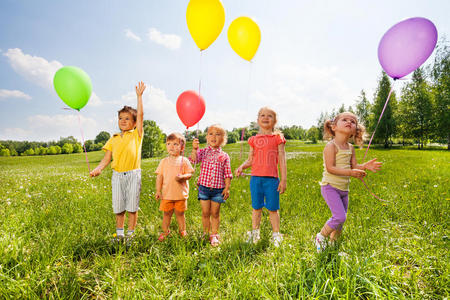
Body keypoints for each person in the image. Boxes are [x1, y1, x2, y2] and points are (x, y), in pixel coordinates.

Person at [315, 112, 382, 252]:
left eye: (353, 121)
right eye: (344, 119)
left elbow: (354, 166)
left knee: (341, 220)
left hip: (344, 190)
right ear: (334, 127)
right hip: (330, 187)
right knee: (339, 216)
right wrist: (351, 173)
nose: (349, 122)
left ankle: (333, 245)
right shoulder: (331, 146)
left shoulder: (350, 148)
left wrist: (364, 166)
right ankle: (321, 237)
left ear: (355, 130)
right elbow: (330, 168)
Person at [90, 81, 145, 242]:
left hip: (134, 175)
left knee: (132, 207)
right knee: (119, 207)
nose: (123, 121)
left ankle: (130, 235)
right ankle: (120, 235)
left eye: (127, 118)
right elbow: (106, 159)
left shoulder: (137, 135)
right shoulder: (113, 138)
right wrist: (98, 169)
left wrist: (139, 97)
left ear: (134, 123)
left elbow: (140, 115)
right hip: (117, 176)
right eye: (120, 118)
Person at [235, 107, 287, 247]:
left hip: (271, 180)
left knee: (273, 209)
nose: (265, 117)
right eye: (262, 115)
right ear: (257, 120)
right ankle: (255, 233)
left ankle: (276, 234)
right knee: (256, 207)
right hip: (256, 179)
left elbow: (282, 159)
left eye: (269, 116)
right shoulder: (253, 140)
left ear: (274, 121)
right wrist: (241, 167)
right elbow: (251, 160)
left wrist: (283, 179)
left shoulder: (277, 138)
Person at [189, 124, 232, 247]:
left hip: (218, 190)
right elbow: (194, 160)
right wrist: (194, 149)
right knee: (205, 213)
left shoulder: (224, 156)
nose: (214, 137)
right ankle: (205, 233)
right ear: (207, 137)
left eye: (218, 134)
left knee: (215, 213)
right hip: (204, 188)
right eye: (211, 134)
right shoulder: (203, 152)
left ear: (223, 139)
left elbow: (228, 174)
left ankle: (214, 234)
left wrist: (227, 188)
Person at [155, 133, 194, 241]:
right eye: (169, 144)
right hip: (167, 194)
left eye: (175, 144)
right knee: (166, 214)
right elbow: (159, 177)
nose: (171, 146)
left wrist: (183, 177)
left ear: (182, 147)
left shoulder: (184, 160)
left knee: (180, 214)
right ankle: (165, 231)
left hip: (180, 195)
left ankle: (183, 231)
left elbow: (190, 174)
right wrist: (158, 191)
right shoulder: (164, 161)